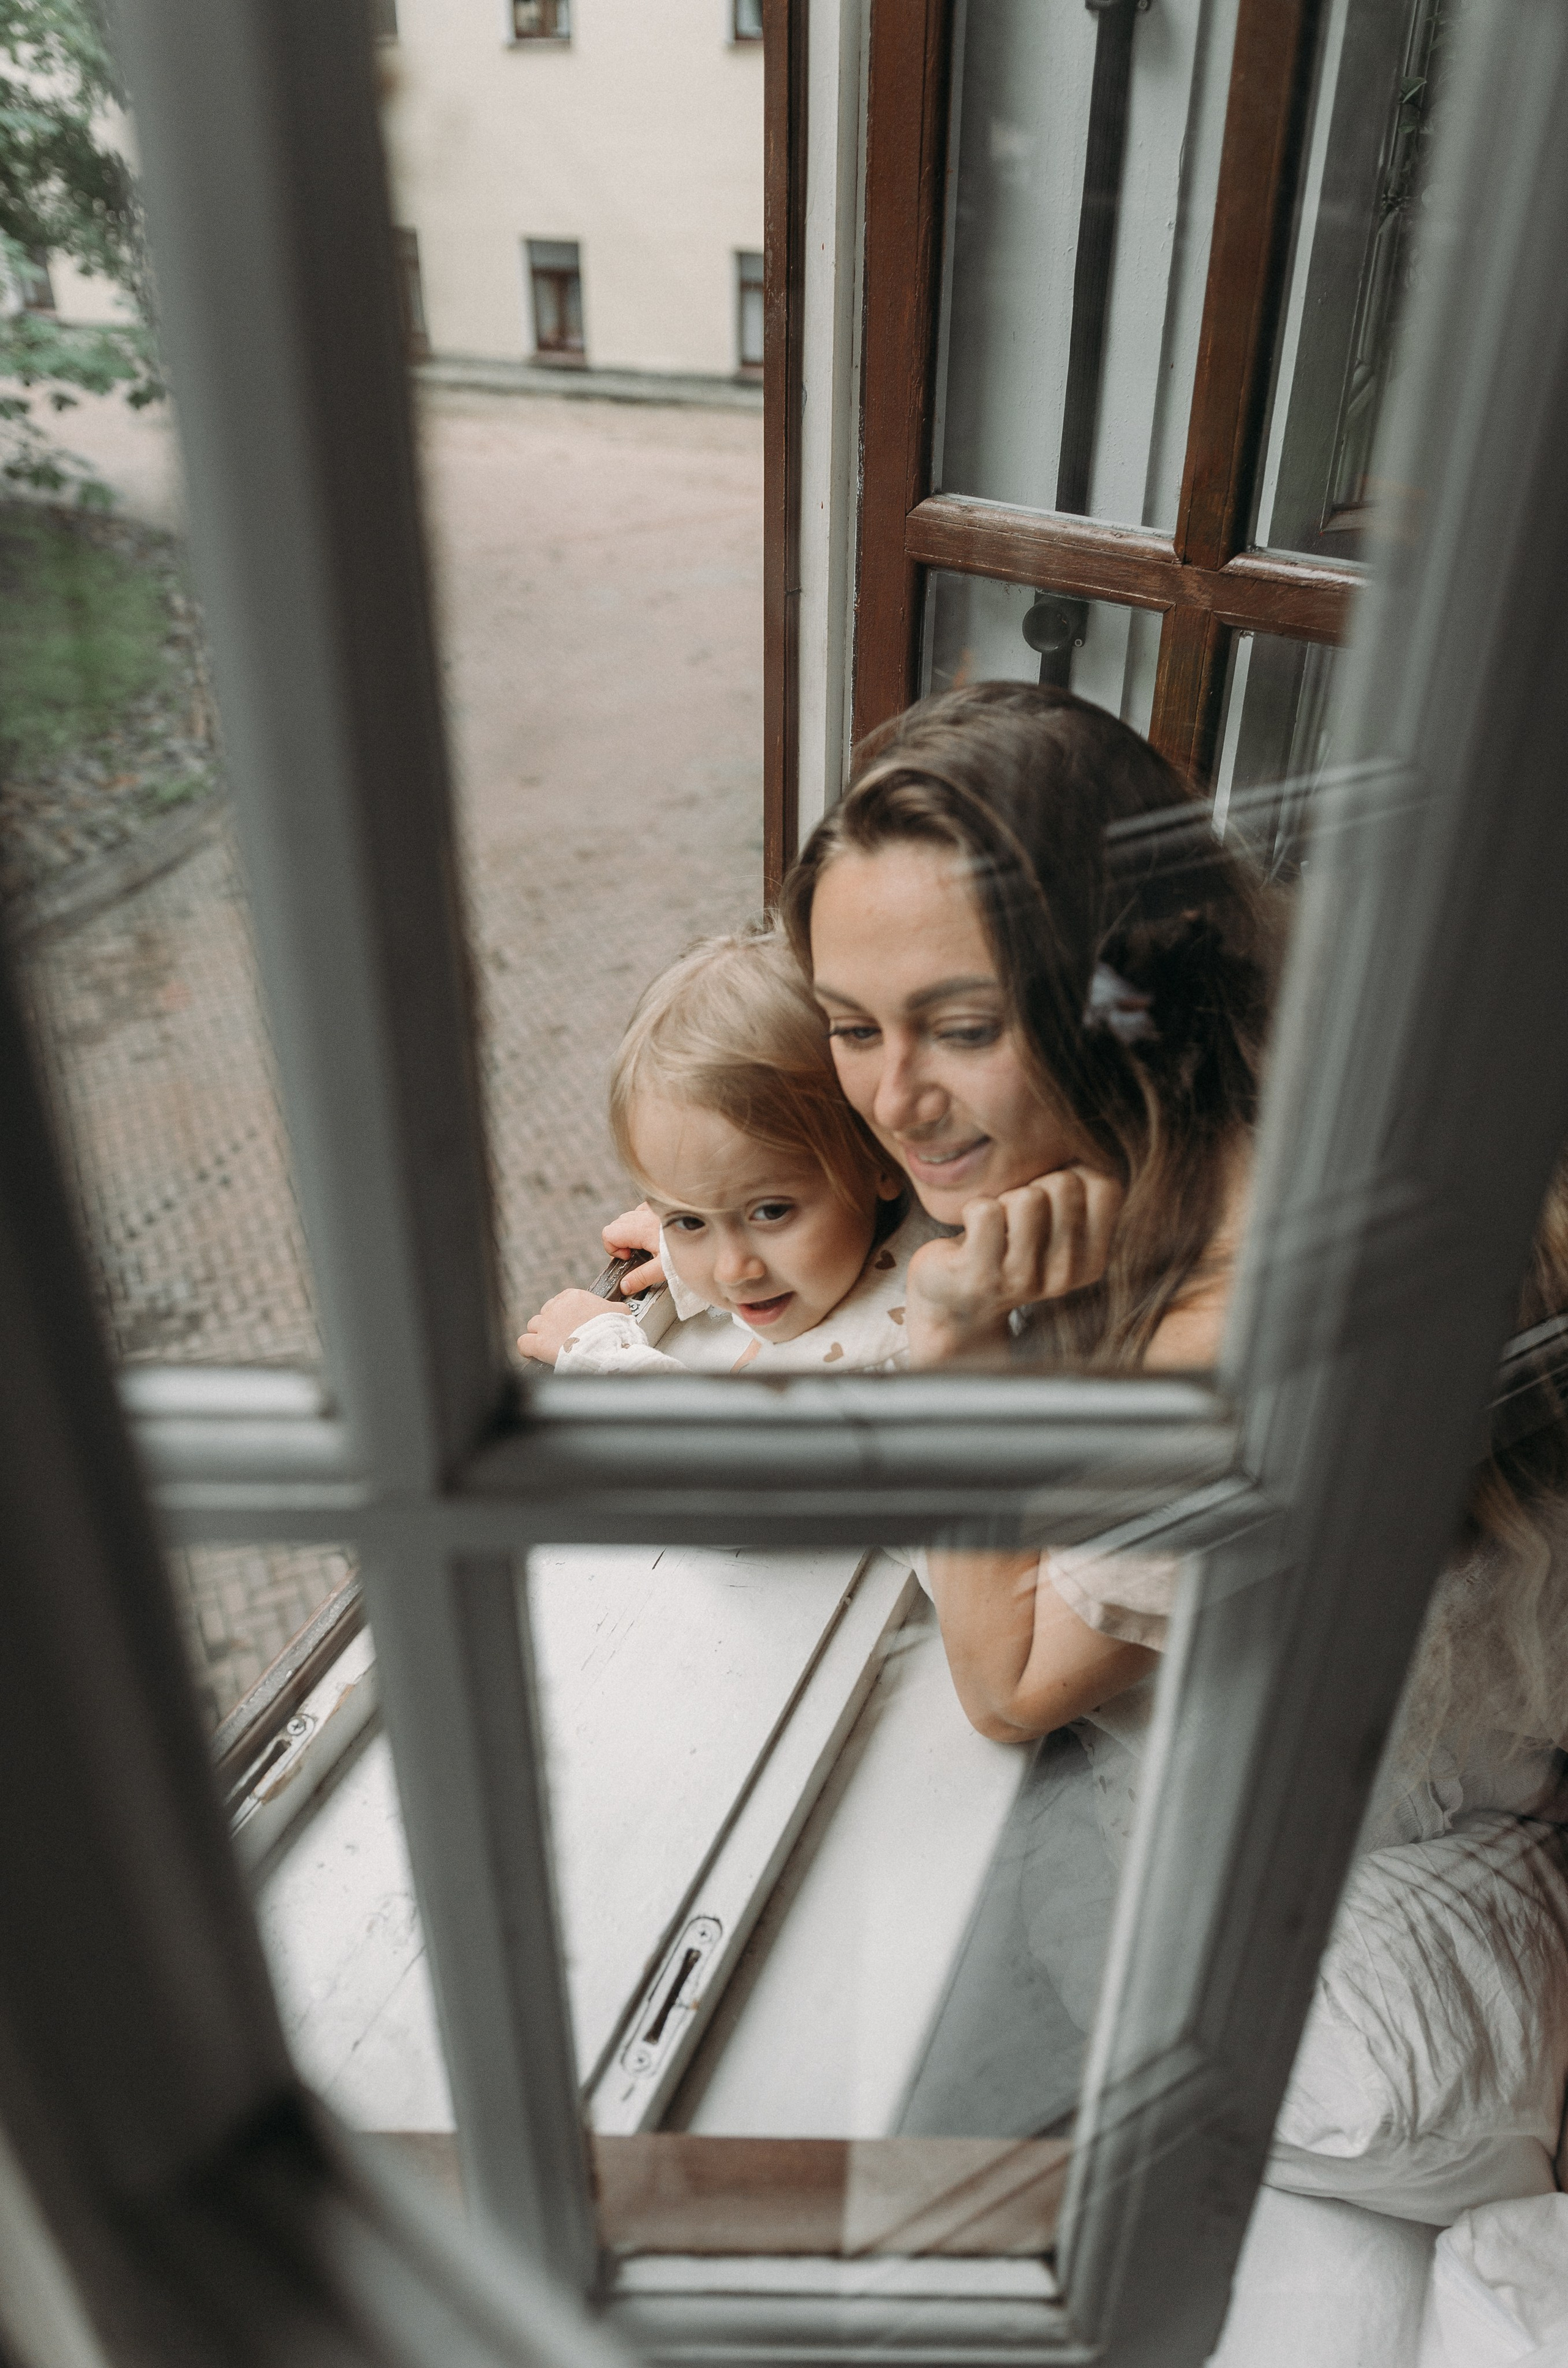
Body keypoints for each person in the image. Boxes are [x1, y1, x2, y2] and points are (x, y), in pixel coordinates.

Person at [780, 679, 1568, 1832]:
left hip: (1368, 1827)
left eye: (964, 1029)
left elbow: (1008, 1692)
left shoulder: (1236, 1342)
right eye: (853, 1028)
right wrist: (727, 1211)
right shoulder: (1238, 1058)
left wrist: (953, 1337)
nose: (893, 1099)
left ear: (1122, 998)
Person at [516, 925, 944, 1377]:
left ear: (878, 1156)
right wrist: (684, 1255)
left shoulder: (899, 1352)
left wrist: (604, 1354)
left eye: (772, 1212)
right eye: (688, 1218)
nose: (732, 1269)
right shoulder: (869, 1249)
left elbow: (733, 1440)